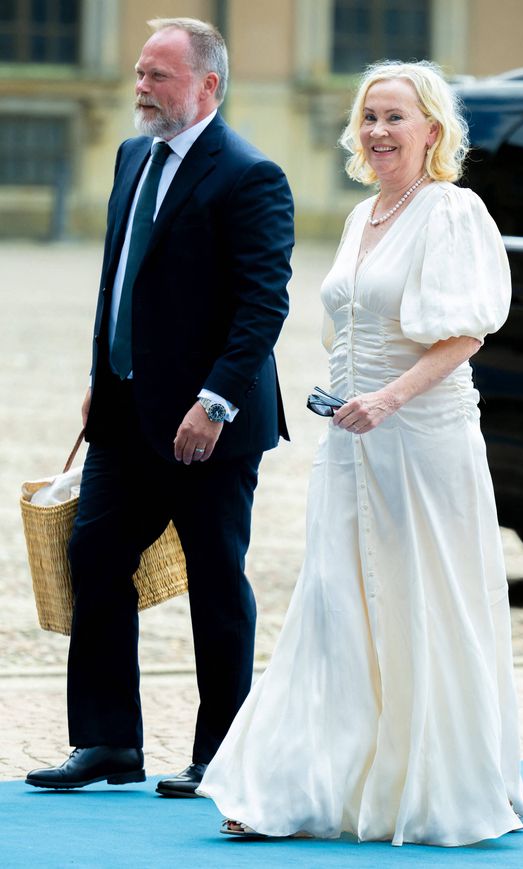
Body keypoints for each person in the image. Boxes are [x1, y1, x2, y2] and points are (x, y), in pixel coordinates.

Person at [198, 60, 523, 845]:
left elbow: (464, 333)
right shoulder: (361, 216)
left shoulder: (451, 211)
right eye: (369, 117)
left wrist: (388, 398)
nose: (379, 132)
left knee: (421, 602)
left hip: (423, 441)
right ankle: (295, 786)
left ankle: (436, 784)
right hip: (350, 446)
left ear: (433, 130)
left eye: (395, 117)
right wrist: (353, 400)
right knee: (333, 605)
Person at [25, 17, 294, 796]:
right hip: (122, 417)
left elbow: (261, 306)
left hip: (206, 429)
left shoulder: (250, 173)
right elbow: (120, 279)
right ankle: (108, 743)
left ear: (209, 85)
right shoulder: (131, 155)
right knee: (93, 562)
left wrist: (214, 403)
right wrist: (101, 374)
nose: (142, 88)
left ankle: (221, 755)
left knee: (217, 585)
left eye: (160, 77)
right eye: (141, 74)